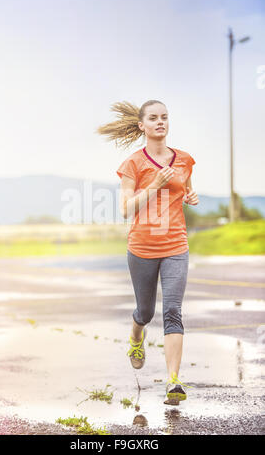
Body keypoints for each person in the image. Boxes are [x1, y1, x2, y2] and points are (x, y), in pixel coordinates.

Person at [96, 100, 199, 403]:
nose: (160, 122)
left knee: (172, 311)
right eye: (153, 118)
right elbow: (126, 209)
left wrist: (191, 195)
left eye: (164, 117)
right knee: (146, 311)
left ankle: (173, 382)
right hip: (141, 247)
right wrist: (154, 185)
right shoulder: (133, 164)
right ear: (142, 125)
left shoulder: (184, 159)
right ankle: (136, 336)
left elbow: (185, 189)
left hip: (176, 245)